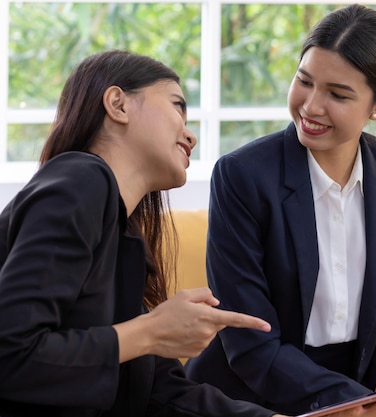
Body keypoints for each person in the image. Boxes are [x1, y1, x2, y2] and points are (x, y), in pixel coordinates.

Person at [185, 4, 376, 417]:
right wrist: (363, 408)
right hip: (250, 394)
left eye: (338, 94)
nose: (311, 106)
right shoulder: (241, 176)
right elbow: (250, 342)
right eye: (304, 81)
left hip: (351, 387)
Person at [0, 49, 278, 417]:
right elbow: (9, 354)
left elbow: (159, 391)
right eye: (177, 106)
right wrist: (150, 331)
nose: (190, 134)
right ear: (118, 104)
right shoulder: (82, 180)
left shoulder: (118, 234)